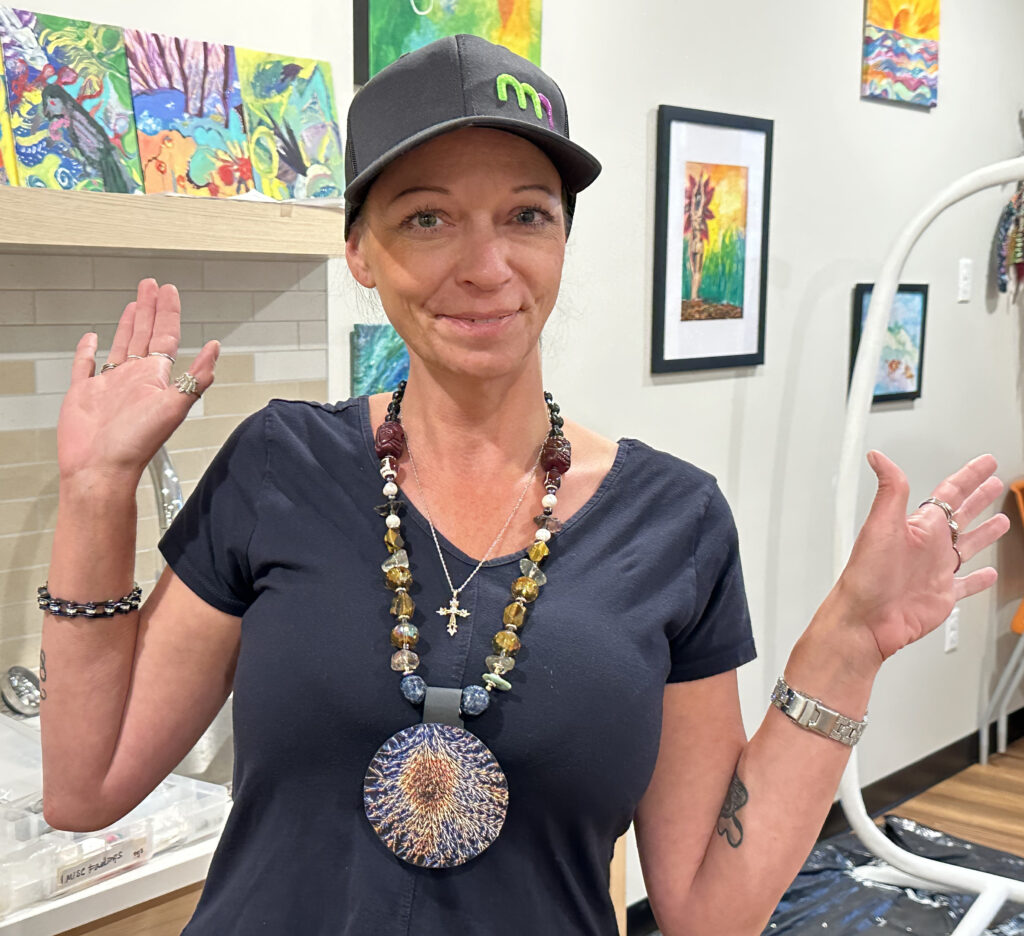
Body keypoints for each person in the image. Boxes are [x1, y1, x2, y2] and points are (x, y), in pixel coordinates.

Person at [39, 34, 1008, 936]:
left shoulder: (674, 522)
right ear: (360, 251)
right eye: (426, 218)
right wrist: (96, 491)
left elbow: (709, 912)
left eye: (526, 215)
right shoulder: (278, 465)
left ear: (561, 241)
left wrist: (847, 644)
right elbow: (87, 789)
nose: (486, 265)